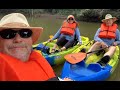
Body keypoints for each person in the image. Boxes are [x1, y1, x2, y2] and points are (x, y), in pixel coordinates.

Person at [0, 13, 72, 81]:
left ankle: (62, 48)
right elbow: (57, 34)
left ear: (31, 40)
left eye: (25, 33)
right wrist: (52, 39)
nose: (18, 40)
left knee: (70, 41)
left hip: (70, 40)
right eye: (8, 34)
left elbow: (77, 36)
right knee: (59, 41)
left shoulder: (75, 28)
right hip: (62, 39)